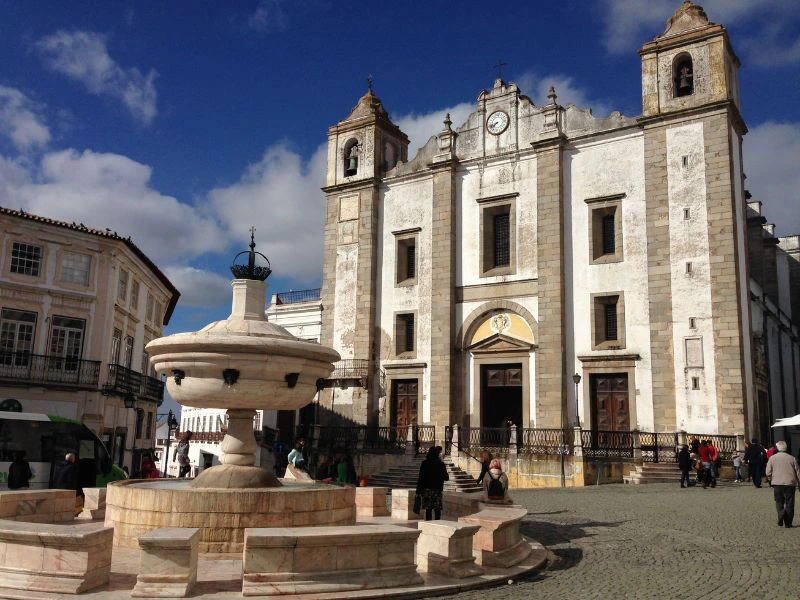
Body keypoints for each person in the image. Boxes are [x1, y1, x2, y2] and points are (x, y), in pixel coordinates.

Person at [765, 440, 800, 528]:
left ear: (777, 448)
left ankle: (781, 513)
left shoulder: (772, 458)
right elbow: (798, 472)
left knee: (779, 501)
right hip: (790, 483)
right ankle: (788, 523)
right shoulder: (792, 458)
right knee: (790, 503)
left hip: (777, 483)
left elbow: (768, 471)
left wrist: (770, 479)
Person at [416, 446, 449, 521]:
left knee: (428, 510)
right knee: (437, 510)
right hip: (437, 490)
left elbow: (421, 478)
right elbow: (446, 477)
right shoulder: (441, 464)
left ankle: (428, 526)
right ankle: (438, 525)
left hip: (427, 490)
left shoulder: (425, 463)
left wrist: (418, 491)